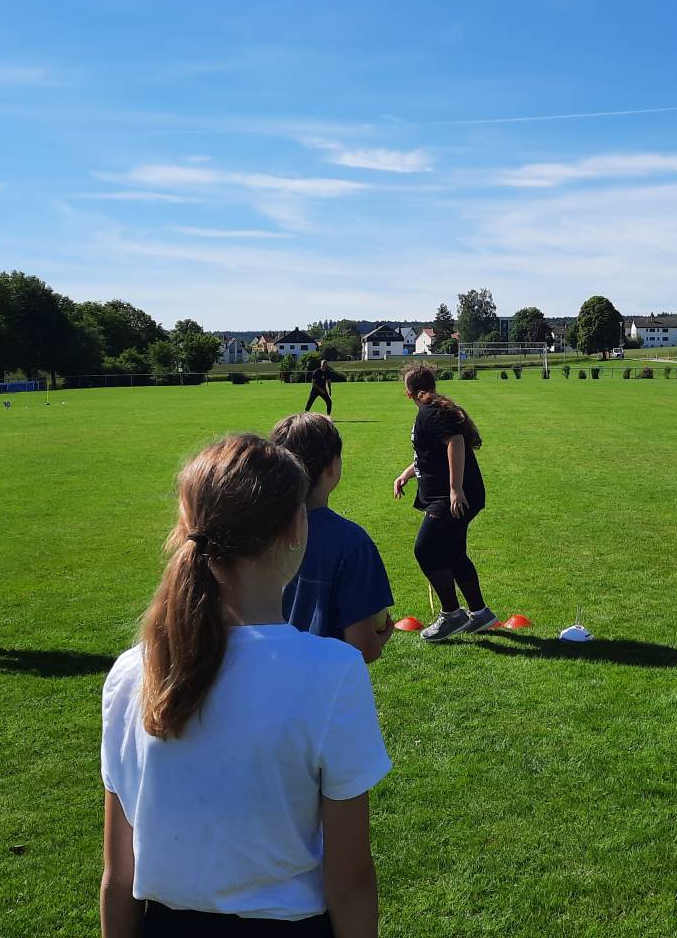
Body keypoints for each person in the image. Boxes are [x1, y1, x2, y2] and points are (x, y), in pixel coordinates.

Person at [100, 434, 387, 936]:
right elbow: (350, 883)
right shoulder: (332, 672)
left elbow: (118, 879)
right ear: (296, 527)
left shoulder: (131, 672)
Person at [270, 412, 396, 663]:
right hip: (323, 680)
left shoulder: (258, 528)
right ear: (331, 467)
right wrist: (380, 639)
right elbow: (362, 648)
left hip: (268, 670)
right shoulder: (352, 543)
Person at [392, 362, 496, 640]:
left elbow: (455, 442)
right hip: (455, 495)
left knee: (425, 549)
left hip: (450, 498)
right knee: (453, 553)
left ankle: (451, 614)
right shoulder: (432, 410)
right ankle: (480, 612)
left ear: (408, 392)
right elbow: (429, 455)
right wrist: (406, 474)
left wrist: (455, 489)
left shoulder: (430, 413)